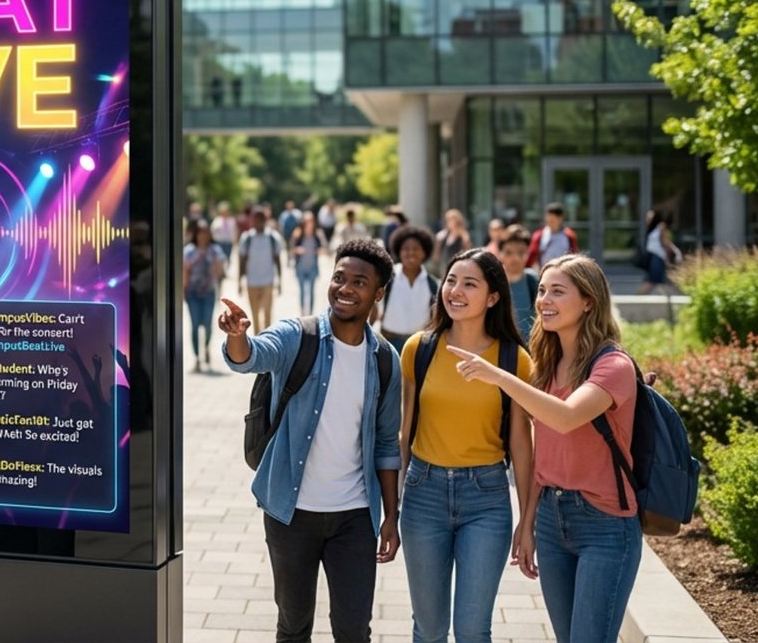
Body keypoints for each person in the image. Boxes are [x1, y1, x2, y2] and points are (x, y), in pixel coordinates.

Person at [447, 254, 642, 643]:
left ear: (589, 301)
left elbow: (567, 417)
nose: (543, 300)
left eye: (557, 291)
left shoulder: (613, 365)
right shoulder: (548, 366)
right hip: (554, 521)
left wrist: (497, 375)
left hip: (605, 524)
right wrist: (529, 522)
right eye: (541, 291)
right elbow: (543, 454)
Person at [219, 238, 402, 643]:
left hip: (355, 515)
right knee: (294, 625)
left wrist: (391, 515)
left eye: (359, 282)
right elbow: (251, 356)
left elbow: (388, 445)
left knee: (354, 630)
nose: (346, 288)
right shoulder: (297, 335)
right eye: (339, 278)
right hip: (291, 512)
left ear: (379, 292)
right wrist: (237, 336)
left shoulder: (385, 360)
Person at [399, 248, 535, 643]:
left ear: (493, 297)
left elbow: (522, 448)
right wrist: (394, 507)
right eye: (451, 281)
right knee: (429, 629)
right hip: (424, 496)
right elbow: (404, 435)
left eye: (469, 284)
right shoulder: (418, 349)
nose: (455, 291)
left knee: (474, 630)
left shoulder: (514, 360)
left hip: (487, 499)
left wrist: (526, 523)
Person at [374, 225, 437, 345]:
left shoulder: (432, 284)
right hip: (389, 341)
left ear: (424, 252)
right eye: (406, 249)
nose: (411, 253)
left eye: (416, 248)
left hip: (420, 344)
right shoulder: (388, 278)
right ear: (399, 251)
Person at [183, 220, 227, 372]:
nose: (203, 236)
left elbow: (221, 272)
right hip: (193, 293)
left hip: (208, 293)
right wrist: (184, 290)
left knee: (207, 325)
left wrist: (217, 266)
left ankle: (207, 348)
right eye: (200, 233)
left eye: (206, 233)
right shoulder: (189, 250)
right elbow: (185, 272)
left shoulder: (215, 250)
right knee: (195, 326)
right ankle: (197, 357)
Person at [239, 209, 285, 331]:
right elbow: (242, 260)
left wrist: (280, 280)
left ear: (265, 220)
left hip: (267, 281)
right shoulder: (247, 238)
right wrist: (239, 281)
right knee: (254, 315)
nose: (258, 222)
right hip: (252, 281)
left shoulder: (273, 237)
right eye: (256, 219)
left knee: (267, 314)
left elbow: (277, 260)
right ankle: (258, 341)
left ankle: (267, 342)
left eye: (261, 219)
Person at [499, 225, 539, 343]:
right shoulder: (492, 283)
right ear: (500, 253)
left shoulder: (534, 281)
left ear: (528, 253)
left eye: (521, 252)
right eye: (509, 252)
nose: (515, 258)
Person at [638, 210, 683, 295]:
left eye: (650, 217)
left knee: (654, 281)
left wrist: (675, 252)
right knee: (657, 281)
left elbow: (665, 242)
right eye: (647, 217)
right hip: (653, 257)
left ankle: (639, 297)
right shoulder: (652, 229)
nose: (647, 219)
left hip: (658, 257)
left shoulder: (661, 227)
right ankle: (640, 297)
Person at [291, 213, 327, 315]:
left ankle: (310, 313)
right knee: (302, 292)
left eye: (311, 221)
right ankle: (303, 312)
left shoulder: (317, 235)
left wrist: (319, 251)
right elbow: (291, 251)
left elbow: (324, 248)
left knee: (311, 292)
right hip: (300, 267)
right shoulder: (298, 234)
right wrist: (297, 250)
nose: (309, 223)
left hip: (312, 267)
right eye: (306, 221)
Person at [527, 203, 580, 269]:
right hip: (545, 272)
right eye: (548, 218)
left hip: (564, 272)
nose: (550, 222)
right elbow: (532, 255)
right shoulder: (539, 235)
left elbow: (574, 256)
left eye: (553, 220)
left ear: (560, 218)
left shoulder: (569, 236)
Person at [434, 209, 473, 273]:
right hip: (446, 265)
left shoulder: (463, 235)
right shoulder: (445, 234)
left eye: (451, 220)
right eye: (448, 220)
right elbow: (437, 252)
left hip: (458, 266)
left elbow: (468, 249)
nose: (449, 222)